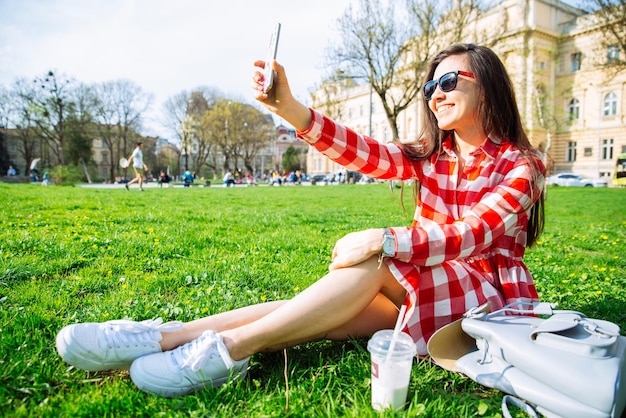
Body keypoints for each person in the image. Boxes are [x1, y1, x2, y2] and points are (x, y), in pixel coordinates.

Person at [55, 43, 545, 399]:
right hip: (426, 283)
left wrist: (384, 239)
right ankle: (166, 336)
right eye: (429, 86)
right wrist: (287, 107)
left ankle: (227, 350)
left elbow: (472, 235)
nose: (435, 95)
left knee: (378, 259)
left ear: (488, 86)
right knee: (322, 313)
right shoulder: (430, 156)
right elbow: (364, 152)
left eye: (448, 82)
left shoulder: (522, 165)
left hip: (485, 298)